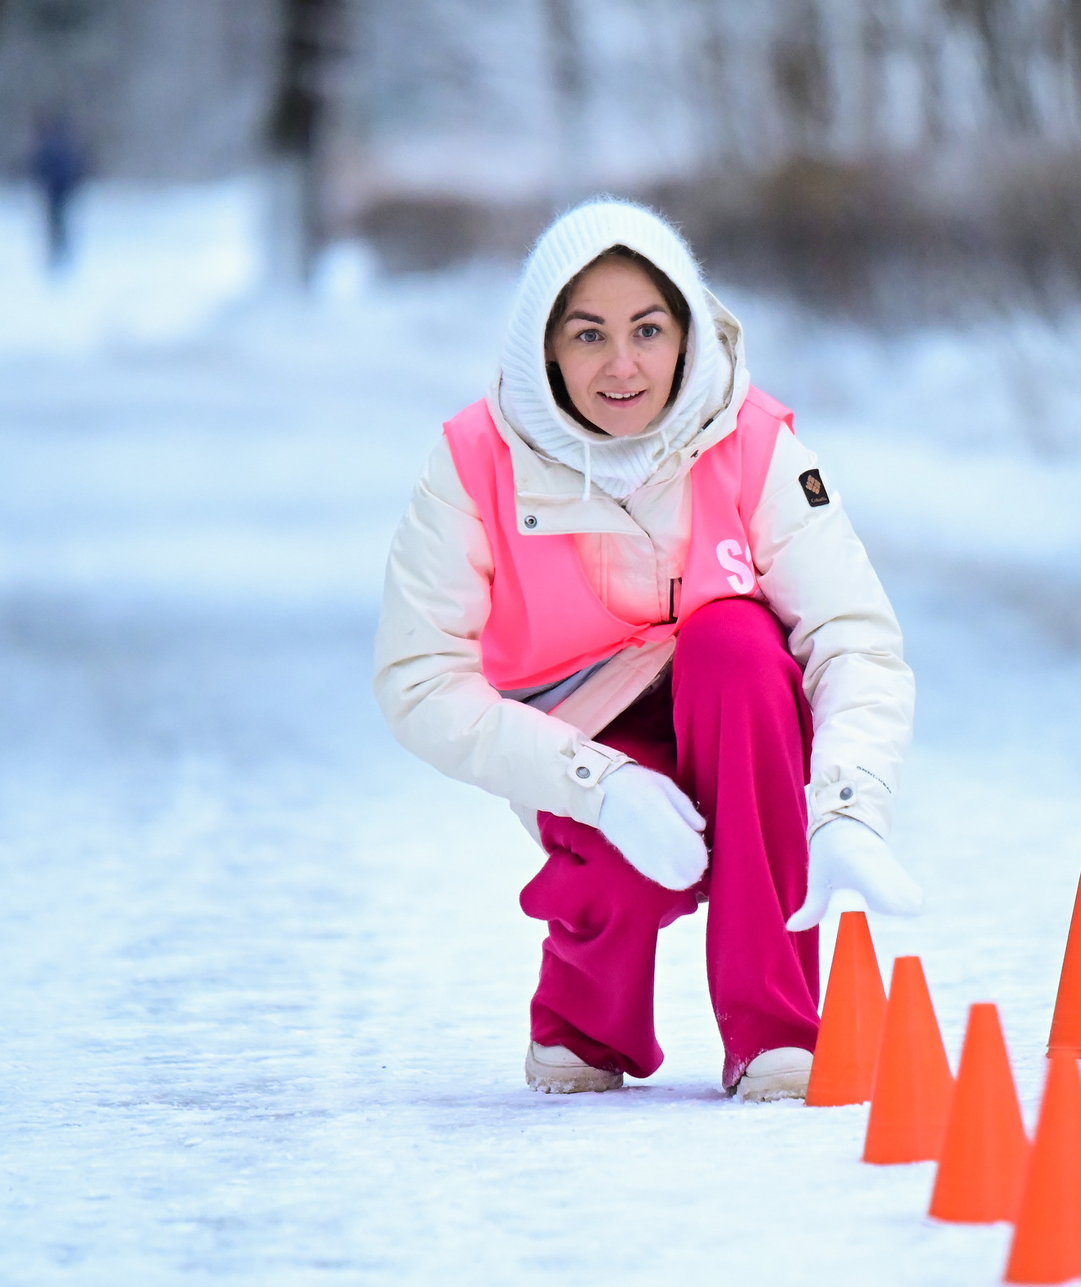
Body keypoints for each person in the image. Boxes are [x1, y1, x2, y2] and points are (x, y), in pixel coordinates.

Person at [374, 200, 920, 1101]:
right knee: (620, 878)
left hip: (740, 725)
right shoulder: (474, 460)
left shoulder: (753, 443)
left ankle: (777, 1030)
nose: (622, 365)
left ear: (687, 336)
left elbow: (852, 636)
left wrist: (850, 806)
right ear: (545, 349)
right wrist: (598, 784)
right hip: (581, 736)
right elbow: (418, 679)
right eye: (589, 335)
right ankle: (584, 1020)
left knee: (737, 638)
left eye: (648, 330)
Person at [28, 111, 87, 272]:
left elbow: (40, 168)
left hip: (54, 191)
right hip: (60, 191)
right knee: (60, 221)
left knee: (55, 222)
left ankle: (57, 251)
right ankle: (61, 251)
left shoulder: (50, 146)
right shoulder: (64, 145)